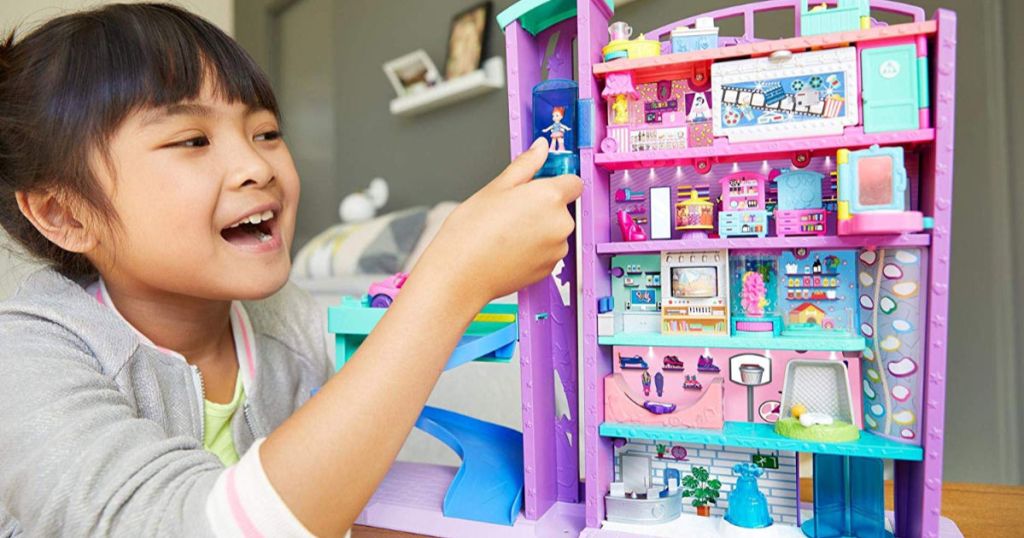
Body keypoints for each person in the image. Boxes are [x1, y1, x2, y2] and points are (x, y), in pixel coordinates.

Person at [0, 4, 581, 537]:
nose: (256, 165)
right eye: (193, 139)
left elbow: (336, 495)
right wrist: (450, 284)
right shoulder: (27, 355)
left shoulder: (287, 320)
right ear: (64, 214)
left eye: (267, 133)